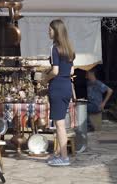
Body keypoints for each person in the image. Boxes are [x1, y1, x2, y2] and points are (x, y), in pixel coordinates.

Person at [43, 19, 75, 167]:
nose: (48, 32)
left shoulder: (54, 48)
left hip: (57, 87)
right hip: (67, 85)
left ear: (56, 31)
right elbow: (72, 70)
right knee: (59, 123)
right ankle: (58, 154)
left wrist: (45, 78)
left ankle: (64, 157)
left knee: (60, 125)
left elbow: (55, 71)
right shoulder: (69, 48)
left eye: (50, 30)